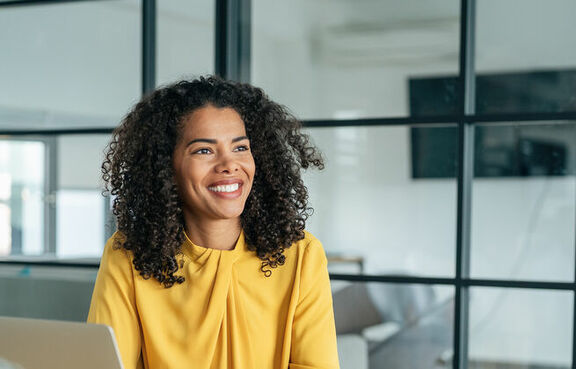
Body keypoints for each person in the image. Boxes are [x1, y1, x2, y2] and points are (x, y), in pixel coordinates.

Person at [87, 76, 340, 369]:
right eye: (204, 150)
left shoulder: (301, 256)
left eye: (240, 148)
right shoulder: (128, 254)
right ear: (166, 166)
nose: (229, 164)